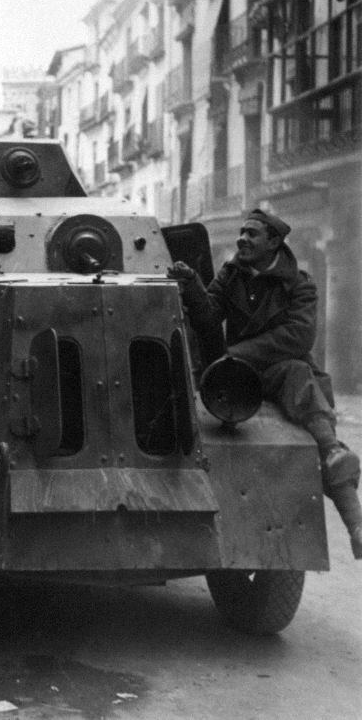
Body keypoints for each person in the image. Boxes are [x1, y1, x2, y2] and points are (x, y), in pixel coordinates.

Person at [168, 208, 362, 560]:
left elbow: (298, 336)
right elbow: (209, 318)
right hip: (239, 375)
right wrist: (193, 286)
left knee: (299, 379)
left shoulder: (299, 284)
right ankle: (349, 500)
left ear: (273, 242)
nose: (242, 238)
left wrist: (238, 352)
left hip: (279, 371)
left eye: (251, 234)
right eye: (241, 232)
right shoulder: (232, 274)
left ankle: (352, 511)